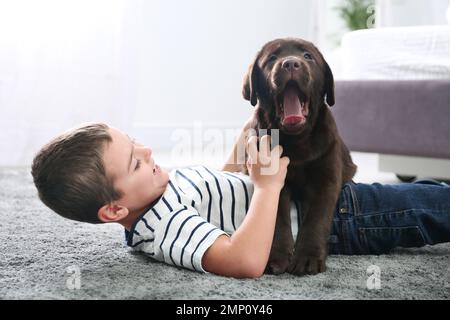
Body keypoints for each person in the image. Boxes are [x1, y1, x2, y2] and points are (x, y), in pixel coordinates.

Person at [31, 121, 450, 279]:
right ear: (115, 210)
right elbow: (243, 261)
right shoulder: (163, 227)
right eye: (134, 162)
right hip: (335, 220)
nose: (146, 153)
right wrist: (268, 189)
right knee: (428, 208)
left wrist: (249, 141)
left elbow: (226, 184)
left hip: (317, 199)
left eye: (135, 142)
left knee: (431, 194)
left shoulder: (160, 191)